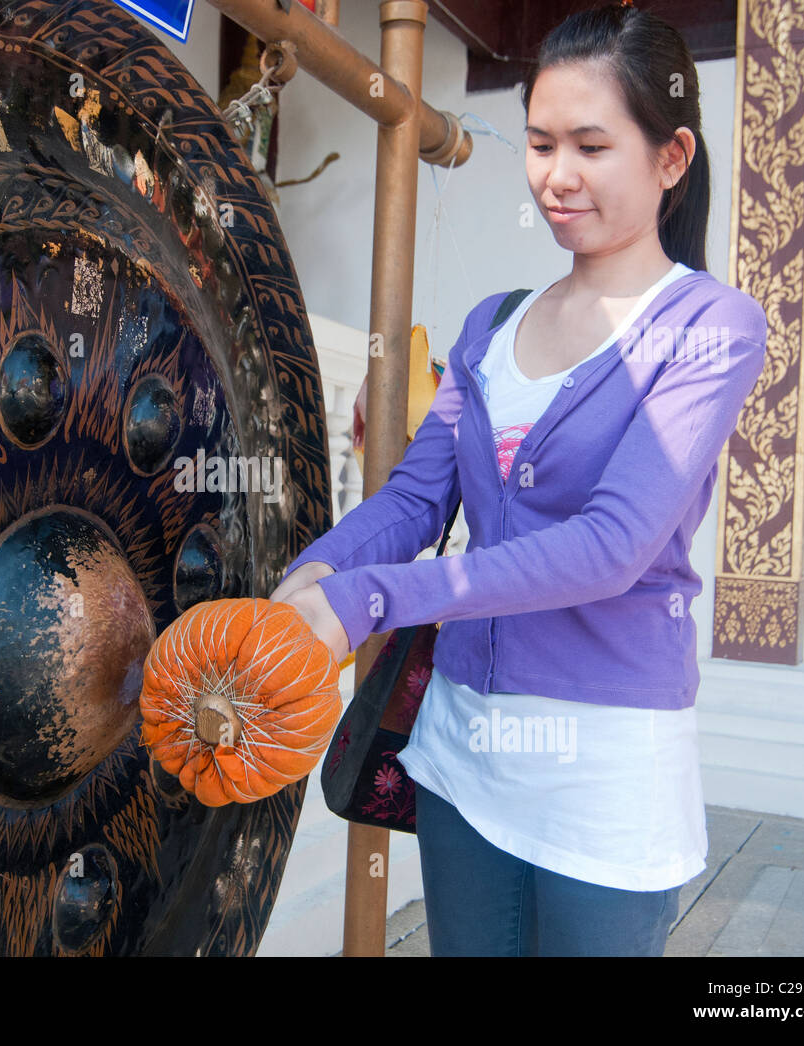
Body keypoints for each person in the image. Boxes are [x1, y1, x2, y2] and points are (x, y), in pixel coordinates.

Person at [268, 3, 768, 957]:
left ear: (671, 159)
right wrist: (315, 575)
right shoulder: (491, 326)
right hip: (461, 753)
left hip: (603, 775)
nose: (557, 175)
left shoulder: (709, 328)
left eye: (591, 144)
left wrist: (369, 598)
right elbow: (417, 501)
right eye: (540, 143)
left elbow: (613, 547)